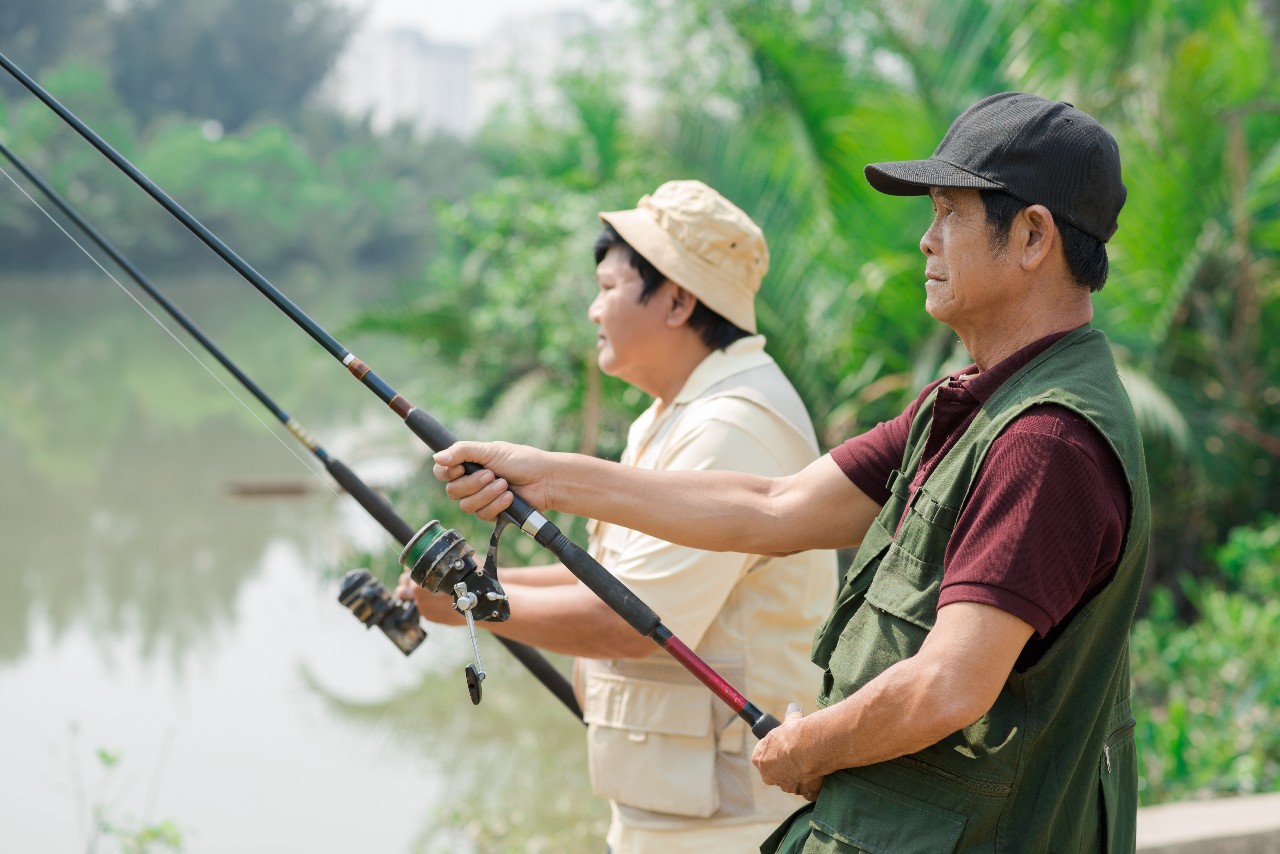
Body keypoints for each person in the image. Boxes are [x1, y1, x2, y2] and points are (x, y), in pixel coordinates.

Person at [430, 92, 1151, 853]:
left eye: (948, 213)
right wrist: (546, 478)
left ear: (1032, 236)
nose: (926, 242)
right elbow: (774, 505)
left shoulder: (1045, 441)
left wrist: (813, 747)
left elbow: (948, 683)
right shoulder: (971, 404)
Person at [399, 180, 838, 852]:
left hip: (732, 826)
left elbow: (630, 623)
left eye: (608, 287)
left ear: (679, 300)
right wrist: (467, 589)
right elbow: (610, 580)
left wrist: (472, 603)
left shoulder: (732, 426)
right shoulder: (671, 415)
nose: (593, 309)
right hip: (678, 812)